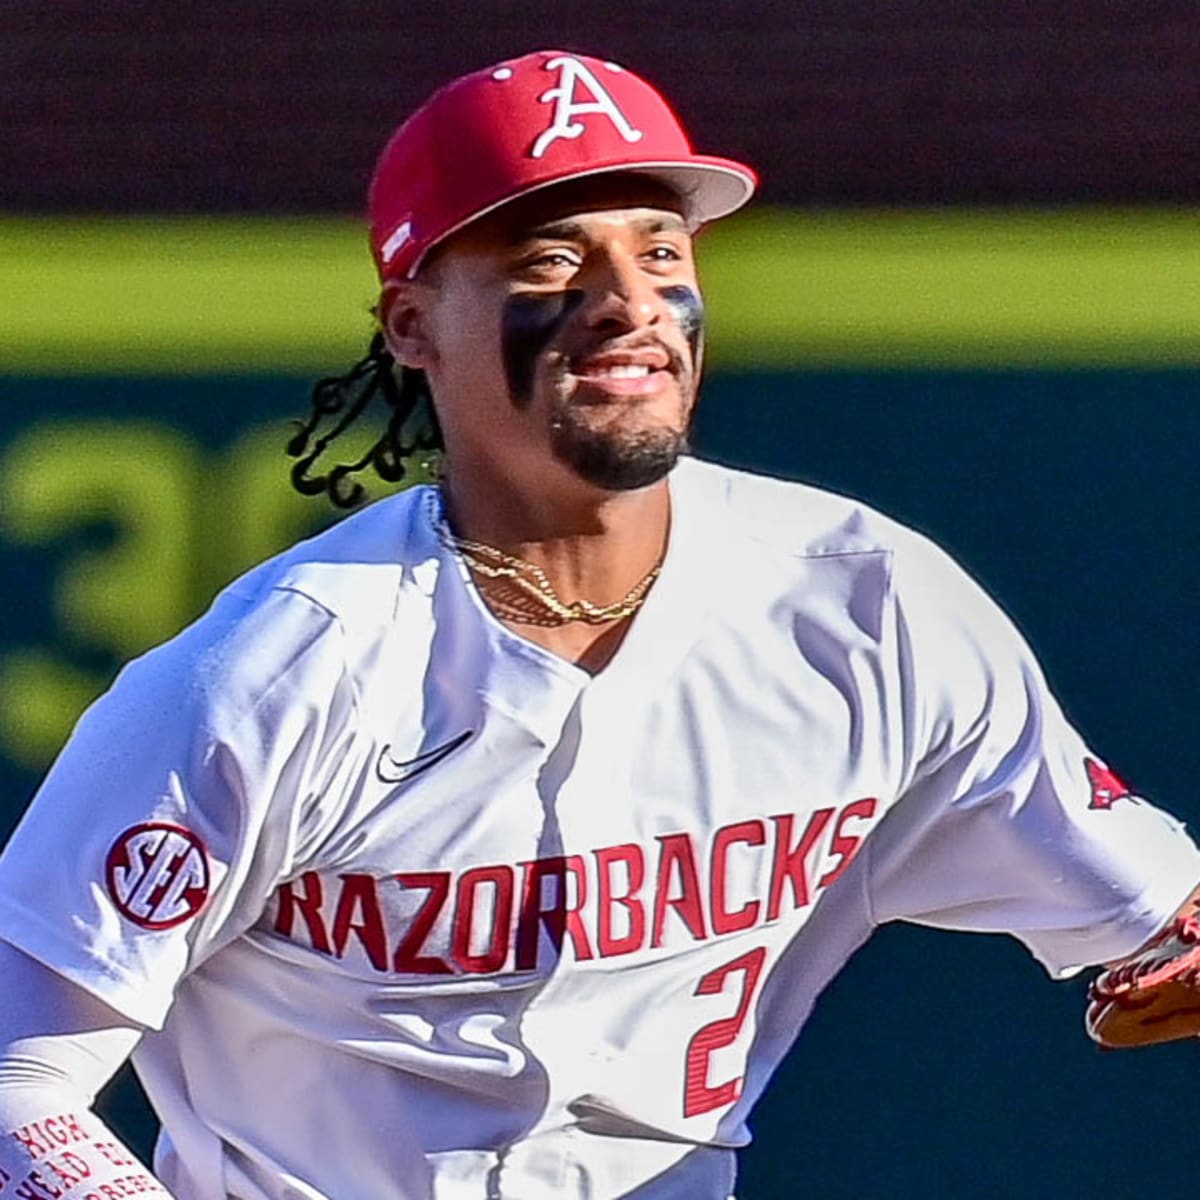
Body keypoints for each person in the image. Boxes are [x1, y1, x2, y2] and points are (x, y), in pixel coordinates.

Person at [0, 48, 1196, 1200]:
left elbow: (1146, 908)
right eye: (551, 260)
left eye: (661, 249)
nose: (629, 304)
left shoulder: (866, 605)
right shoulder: (275, 673)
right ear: (413, 325)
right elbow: (17, 1080)